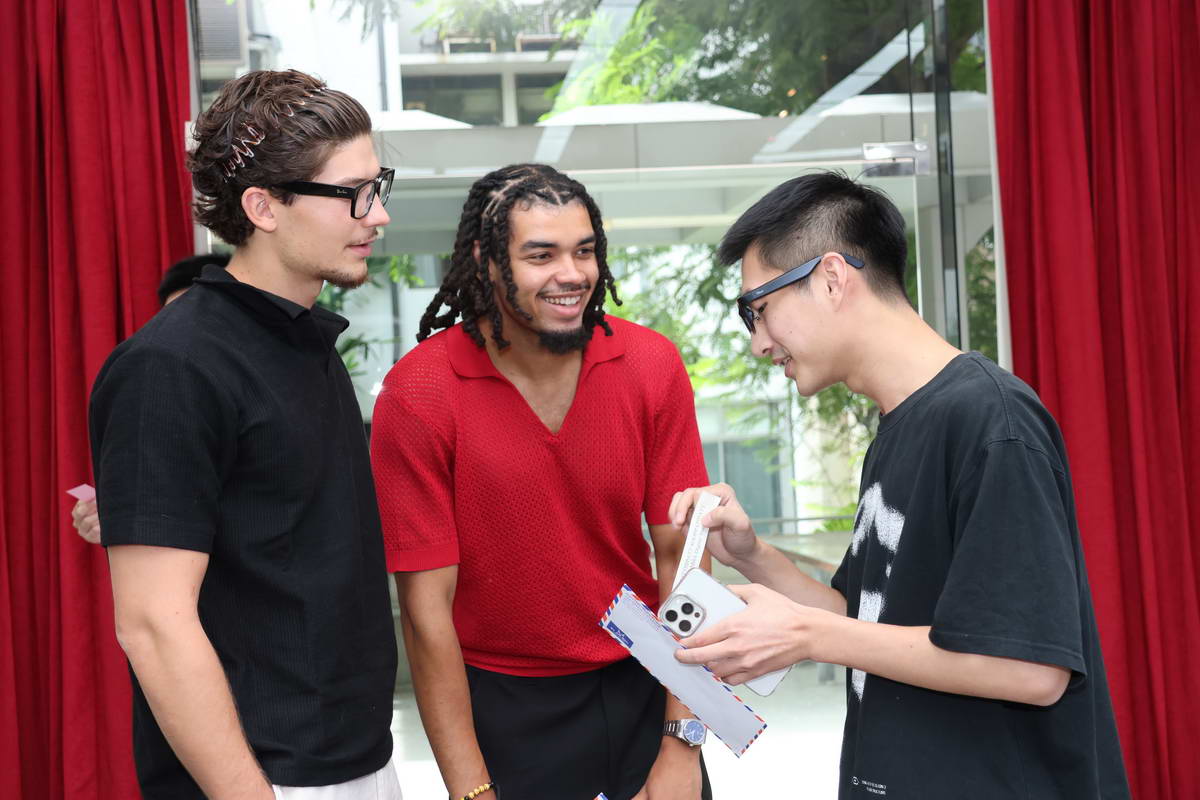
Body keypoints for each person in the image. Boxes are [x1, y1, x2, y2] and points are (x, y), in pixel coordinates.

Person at [668, 172, 1131, 799]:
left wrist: (806, 636)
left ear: (832, 279)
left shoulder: (992, 422)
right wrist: (753, 555)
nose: (758, 344)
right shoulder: (900, 426)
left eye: (759, 309)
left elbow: (1030, 667)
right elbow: (864, 620)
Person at [88, 70, 399, 799]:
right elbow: (152, 624)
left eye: (378, 185)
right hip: (262, 775)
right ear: (263, 207)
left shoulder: (305, 342)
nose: (378, 214)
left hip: (354, 757)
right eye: (353, 193)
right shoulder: (171, 366)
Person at [370, 163, 713, 800]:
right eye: (541, 255)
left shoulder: (649, 363)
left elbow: (683, 558)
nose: (572, 274)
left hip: (646, 682)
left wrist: (682, 743)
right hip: (503, 705)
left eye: (584, 251)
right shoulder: (420, 393)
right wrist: (471, 790)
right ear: (486, 262)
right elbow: (425, 615)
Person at [72, 253, 231, 544]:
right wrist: (124, 521)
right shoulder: (159, 399)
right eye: (174, 320)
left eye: (202, 319)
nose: (186, 336)